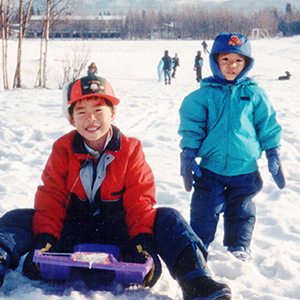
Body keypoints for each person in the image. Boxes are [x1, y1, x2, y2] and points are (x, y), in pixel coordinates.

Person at [0, 75, 231, 300]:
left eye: (98, 110)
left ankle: (196, 280)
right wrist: (46, 239)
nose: (91, 119)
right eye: (81, 112)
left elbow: (140, 199)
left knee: (169, 218)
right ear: (72, 119)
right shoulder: (63, 149)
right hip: (73, 228)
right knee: (18, 218)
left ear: (113, 113)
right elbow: (51, 199)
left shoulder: (130, 150)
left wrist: (142, 241)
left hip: (119, 231)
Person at [178, 33, 285, 262]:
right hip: (211, 168)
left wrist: (273, 152)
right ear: (215, 62)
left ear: (246, 63)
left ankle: (239, 247)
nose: (232, 66)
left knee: (242, 210)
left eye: (238, 60)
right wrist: (188, 154)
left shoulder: (255, 94)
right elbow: (192, 126)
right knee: (204, 208)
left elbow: (267, 125)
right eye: (225, 60)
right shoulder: (204, 95)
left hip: (245, 168)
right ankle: (199, 245)